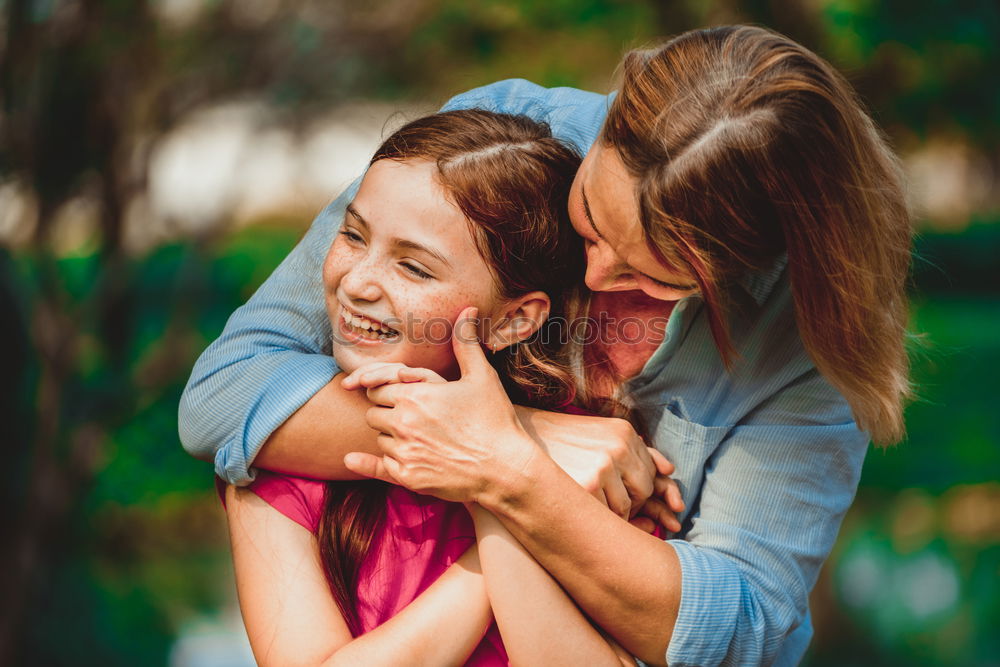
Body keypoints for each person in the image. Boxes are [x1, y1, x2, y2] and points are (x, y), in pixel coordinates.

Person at [180, 25, 912, 666]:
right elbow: (229, 391)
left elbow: (739, 627)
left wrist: (515, 482)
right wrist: (514, 440)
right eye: (590, 219)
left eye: (653, 275)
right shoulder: (501, 140)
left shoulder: (804, 343)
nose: (594, 276)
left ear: (746, 262)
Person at [222, 109, 673, 666]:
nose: (358, 282)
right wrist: (491, 525)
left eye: (414, 268)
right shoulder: (284, 457)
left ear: (513, 321)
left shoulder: (590, 464)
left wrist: (500, 474)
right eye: (354, 235)